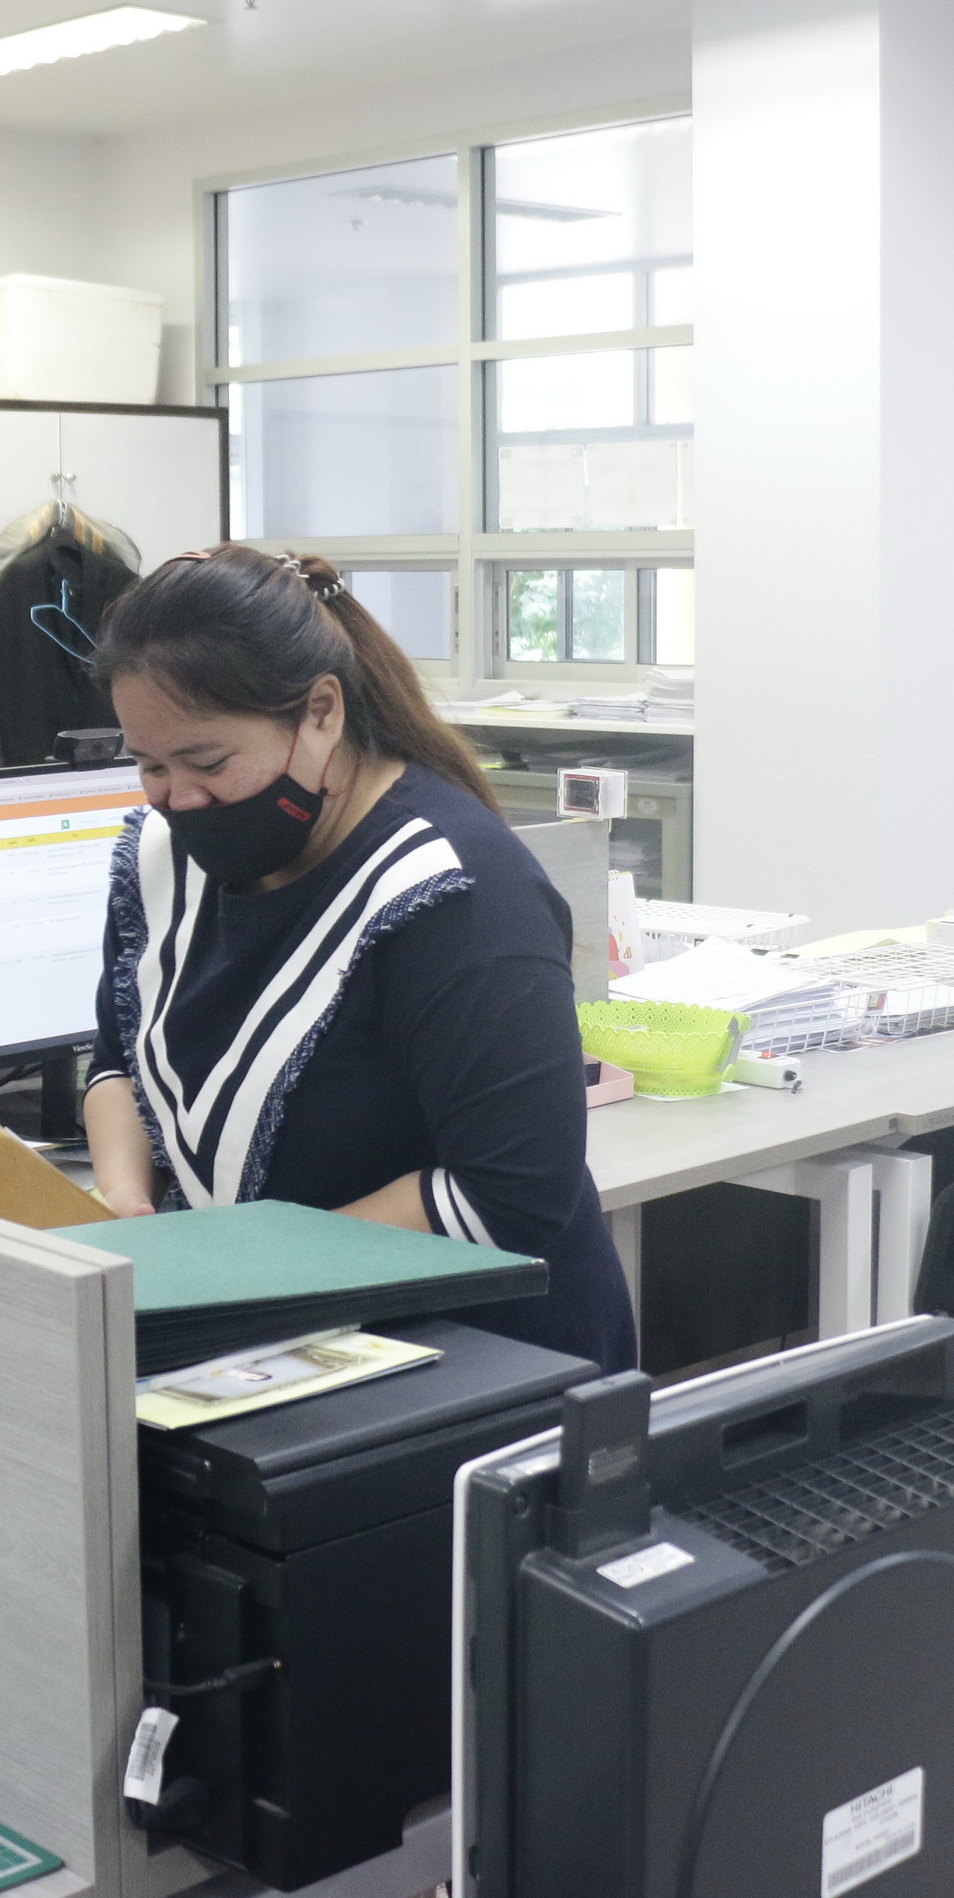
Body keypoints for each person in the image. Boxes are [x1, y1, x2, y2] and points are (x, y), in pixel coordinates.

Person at [81, 543, 638, 1373]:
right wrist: (126, 1206)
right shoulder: (168, 855)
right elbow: (118, 1057)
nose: (180, 798)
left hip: (470, 1356)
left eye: (207, 761)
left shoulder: (457, 892)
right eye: (148, 764)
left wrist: (232, 1267)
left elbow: (510, 1193)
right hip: (262, 1335)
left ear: (321, 713)